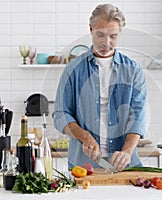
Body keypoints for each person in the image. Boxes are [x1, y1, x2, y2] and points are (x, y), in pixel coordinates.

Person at [53, 3, 146, 171]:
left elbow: (138, 116)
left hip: (124, 166)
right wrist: (84, 136)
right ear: (91, 29)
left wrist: (126, 152)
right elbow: (61, 113)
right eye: (100, 35)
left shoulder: (133, 70)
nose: (106, 43)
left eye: (113, 36)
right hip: (83, 165)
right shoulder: (73, 69)